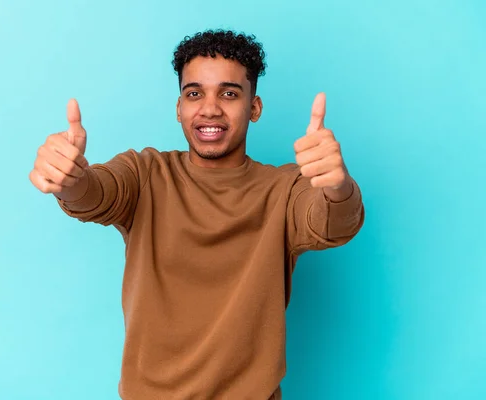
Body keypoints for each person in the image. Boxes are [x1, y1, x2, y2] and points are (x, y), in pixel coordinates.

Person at [29, 29, 364, 400]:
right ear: (179, 108)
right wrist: (68, 179)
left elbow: (333, 222)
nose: (209, 108)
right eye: (194, 93)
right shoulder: (145, 174)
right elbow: (95, 193)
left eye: (229, 93)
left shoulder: (284, 189)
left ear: (254, 108)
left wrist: (336, 185)